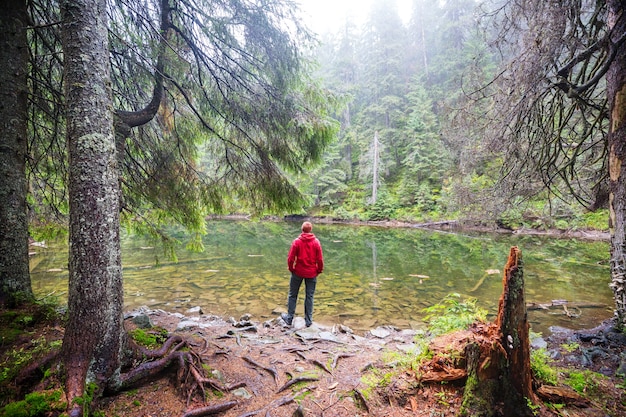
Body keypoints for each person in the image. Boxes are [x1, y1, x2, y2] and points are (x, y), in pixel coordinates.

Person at [281, 221, 324, 327]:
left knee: (292, 295)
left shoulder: (297, 242)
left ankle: (290, 318)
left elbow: (290, 258)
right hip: (311, 273)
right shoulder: (316, 242)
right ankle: (308, 321)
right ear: (310, 230)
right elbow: (320, 259)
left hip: (298, 272)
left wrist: (292, 269)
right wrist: (318, 270)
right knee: (309, 296)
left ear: (302, 229)